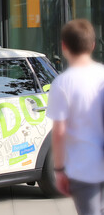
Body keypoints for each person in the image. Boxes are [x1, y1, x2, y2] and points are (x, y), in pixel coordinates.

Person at [46, 19, 104, 215]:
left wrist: (59, 169)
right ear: (93, 45)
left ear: (64, 46)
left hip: (83, 168)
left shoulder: (62, 83)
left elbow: (59, 132)